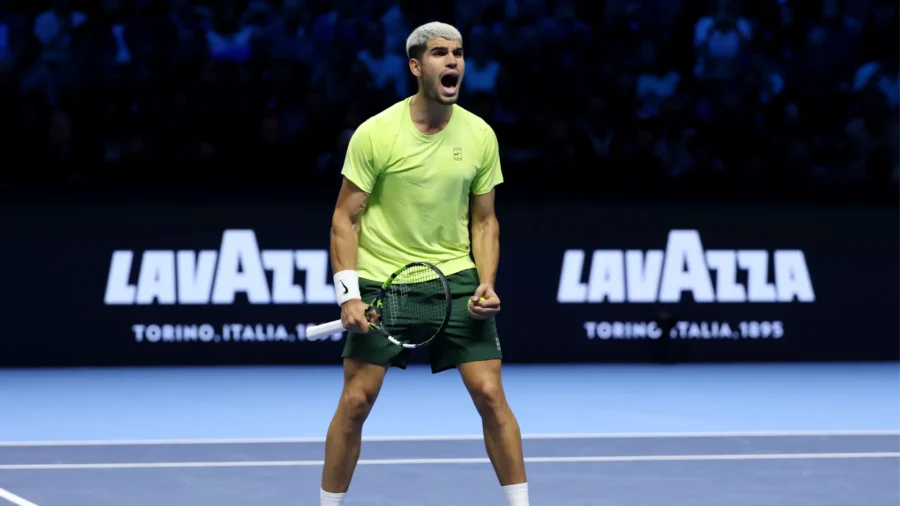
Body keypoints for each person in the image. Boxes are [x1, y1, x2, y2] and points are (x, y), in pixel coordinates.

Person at [320, 21, 530, 506]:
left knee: (491, 395)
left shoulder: (479, 135)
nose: (453, 61)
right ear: (417, 66)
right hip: (382, 277)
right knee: (355, 403)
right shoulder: (376, 134)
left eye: (458, 53)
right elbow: (344, 219)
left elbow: (485, 222)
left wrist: (487, 283)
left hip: (454, 277)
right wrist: (349, 294)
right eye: (440, 53)